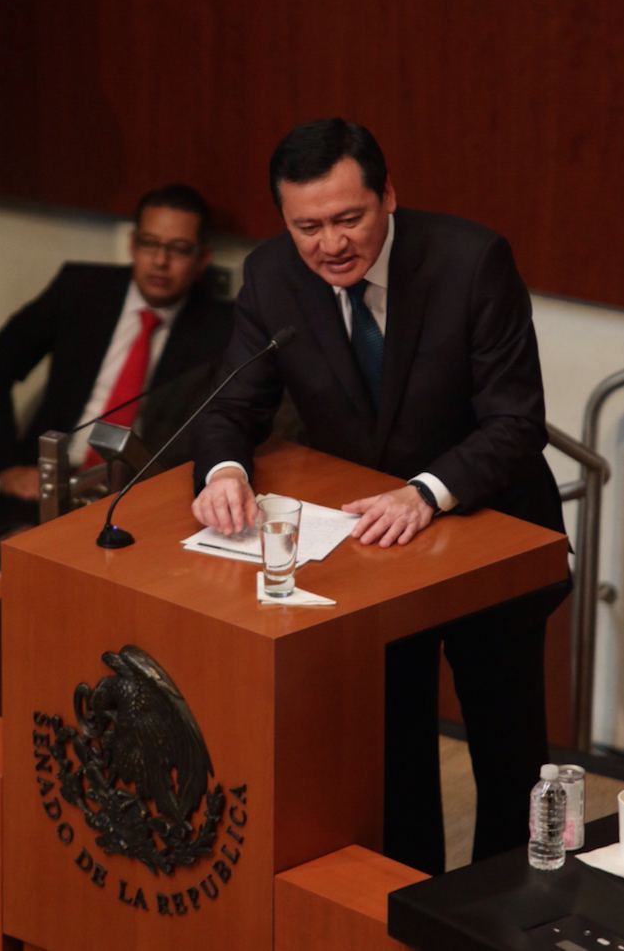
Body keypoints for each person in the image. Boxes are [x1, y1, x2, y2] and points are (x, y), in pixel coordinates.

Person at [190, 118, 570, 874]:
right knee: (391, 753)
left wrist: (427, 491)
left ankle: (506, 915)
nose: (329, 243)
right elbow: (232, 405)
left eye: (347, 218)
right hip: (373, 558)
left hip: (487, 532)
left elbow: (515, 421)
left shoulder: (470, 262)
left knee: (506, 754)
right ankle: (407, 911)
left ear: (388, 196)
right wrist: (224, 471)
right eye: (307, 226)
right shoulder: (272, 276)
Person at [0, 184, 234, 525]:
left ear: (203, 258)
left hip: (144, 498)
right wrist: (6, 465)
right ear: (132, 244)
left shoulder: (222, 327)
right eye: (149, 244)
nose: (160, 261)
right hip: (51, 485)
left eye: (179, 250)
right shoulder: (81, 289)